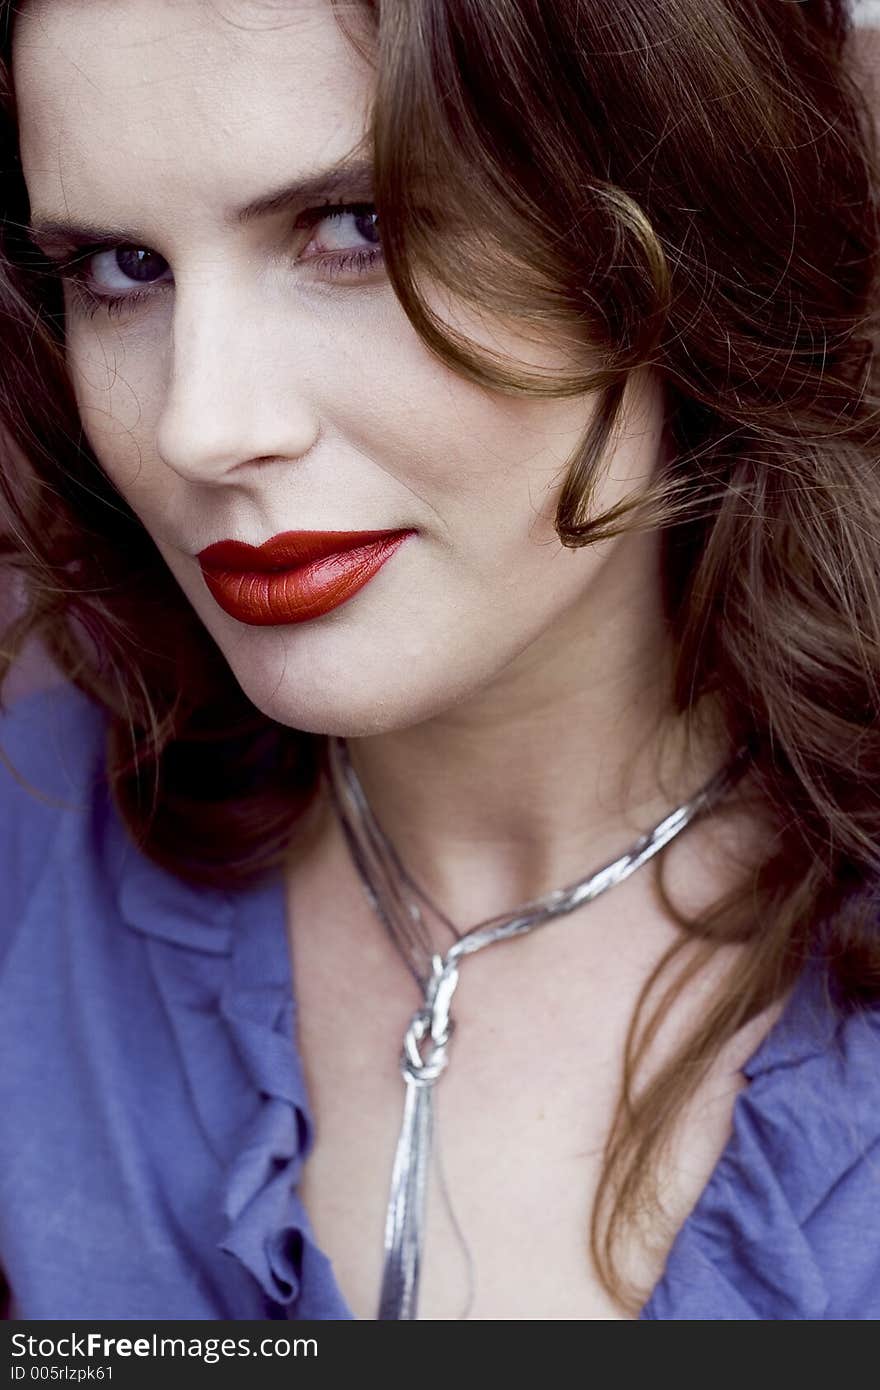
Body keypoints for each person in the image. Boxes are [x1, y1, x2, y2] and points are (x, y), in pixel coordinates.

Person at [0, 0, 879, 1322]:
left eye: (358, 227)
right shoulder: (34, 841)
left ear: (677, 211)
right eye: (122, 266)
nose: (201, 424)